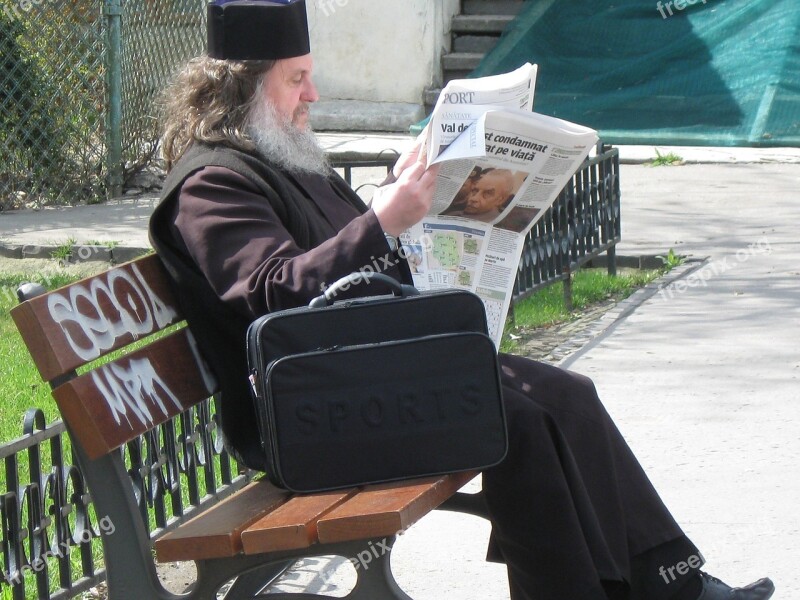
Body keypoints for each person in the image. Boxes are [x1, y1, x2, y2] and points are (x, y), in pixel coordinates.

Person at [148, 2, 775, 599]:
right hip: (309, 419)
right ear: (244, 88)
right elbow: (273, 293)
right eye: (297, 79)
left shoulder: (280, 158)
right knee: (514, 422)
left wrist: (420, 204)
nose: (312, 94)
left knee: (564, 397)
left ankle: (676, 582)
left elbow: (350, 258)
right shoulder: (212, 184)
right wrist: (383, 223)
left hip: (362, 382)